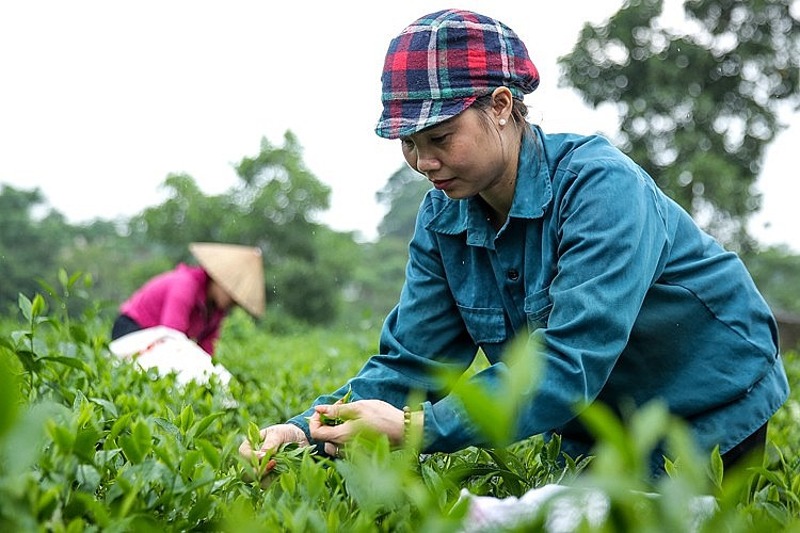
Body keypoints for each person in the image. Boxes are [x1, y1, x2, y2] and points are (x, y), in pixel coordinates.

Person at [239, 9, 789, 477]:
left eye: (441, 138)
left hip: (707, 399)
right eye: (409, 143)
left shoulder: (600, 188)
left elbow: (568, 360)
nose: (423, 162)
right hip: (598, 421)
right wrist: (304, 430)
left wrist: (417, 430)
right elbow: (412, 363)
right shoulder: (443, 217)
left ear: (501, 106)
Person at [111, 242, 265, 356]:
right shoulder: (185, 285)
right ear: (219, 280)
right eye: (232, 295)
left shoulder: (216, 309)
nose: (234, 303)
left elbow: (206, 348)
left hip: (161, 340)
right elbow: (171, 336)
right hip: (132, 329)